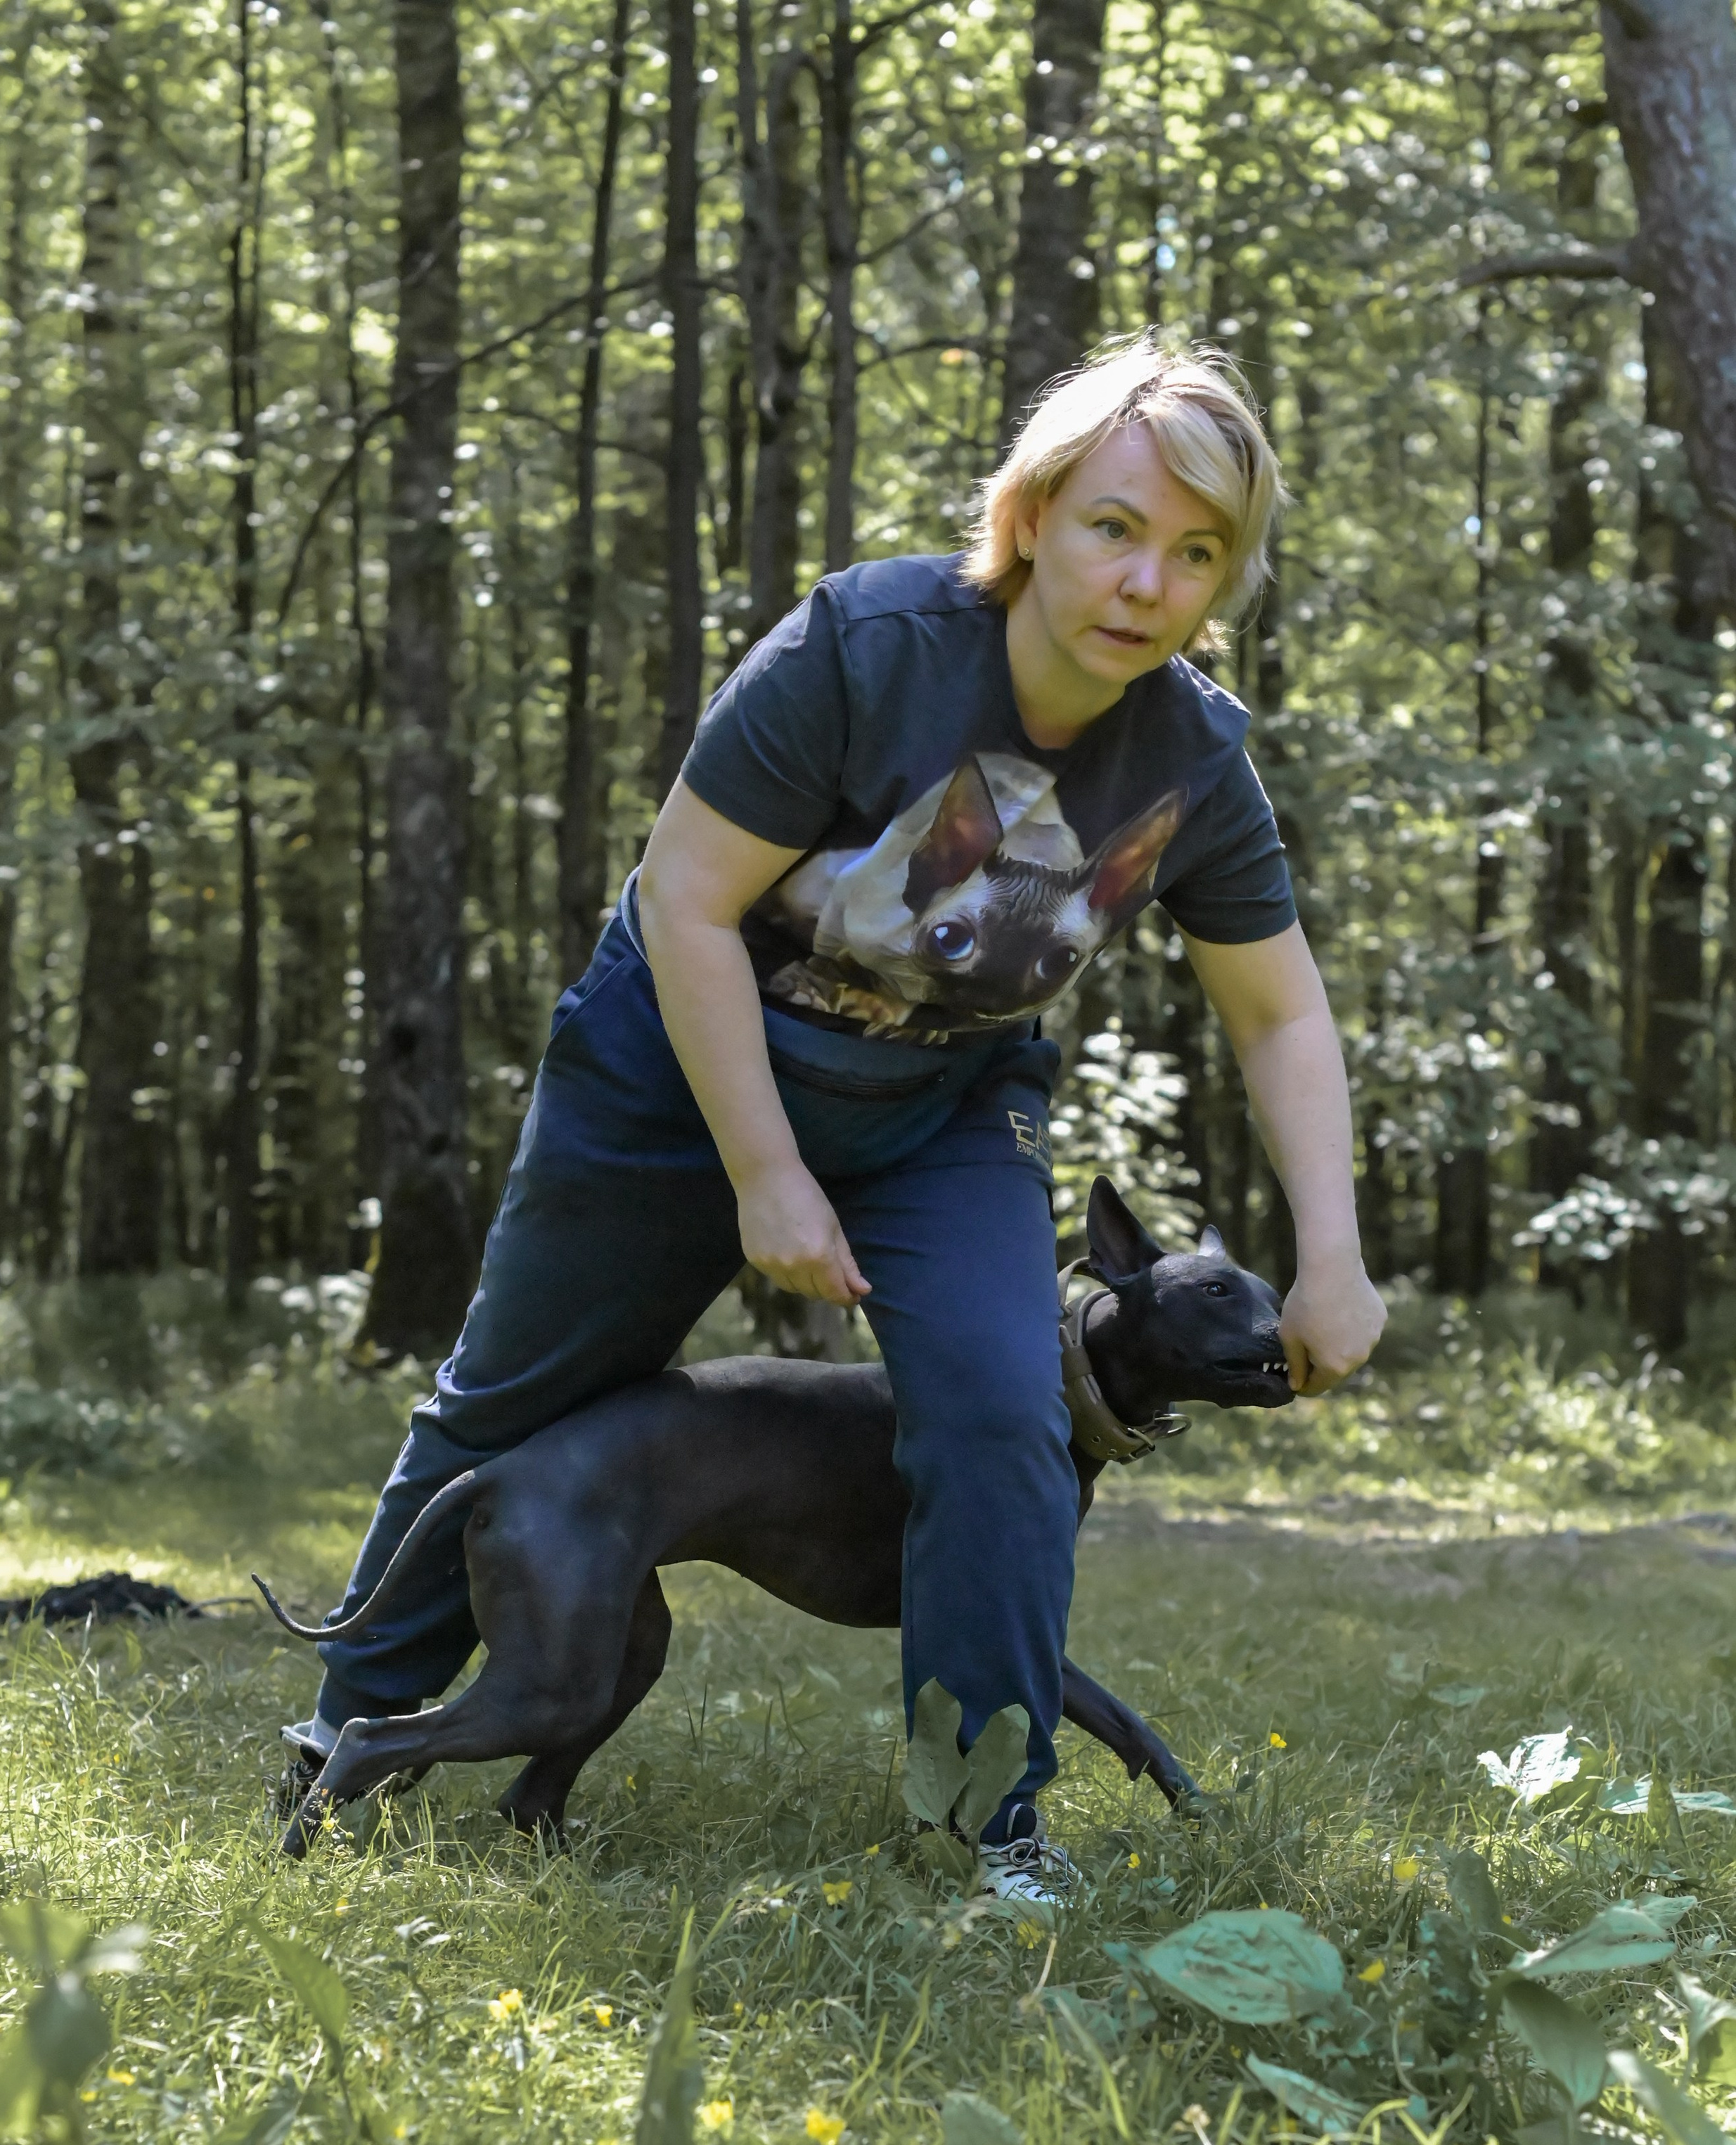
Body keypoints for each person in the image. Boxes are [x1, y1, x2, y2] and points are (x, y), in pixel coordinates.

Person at [281, 332, 1386, 1901]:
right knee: (513, 1398)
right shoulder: (863, 650)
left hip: (944, 1101)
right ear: (1030, 517)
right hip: (675, 1064)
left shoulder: (1194, 758)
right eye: (1114, 526)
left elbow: (1277, 1010)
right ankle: (344, 1731)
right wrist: (763, 1170)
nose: (1146, 579)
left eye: (1195, 551)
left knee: (1007, 1415)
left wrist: (1330, 1255)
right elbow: (684, 899)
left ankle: (988, 1819)